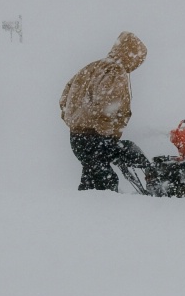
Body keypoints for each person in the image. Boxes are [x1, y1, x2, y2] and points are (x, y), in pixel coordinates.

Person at [59, 31, 148, 191]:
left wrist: (72, 119)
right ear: (131, 55)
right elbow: (107, 106)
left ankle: (81, 209)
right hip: (95, 138)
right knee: (105, 185)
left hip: (77, 137)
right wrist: (106, 135)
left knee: (92, 177)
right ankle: (103, 212)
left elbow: (66, 94)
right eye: (138, 59)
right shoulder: (115, 72)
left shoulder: (92, 67)